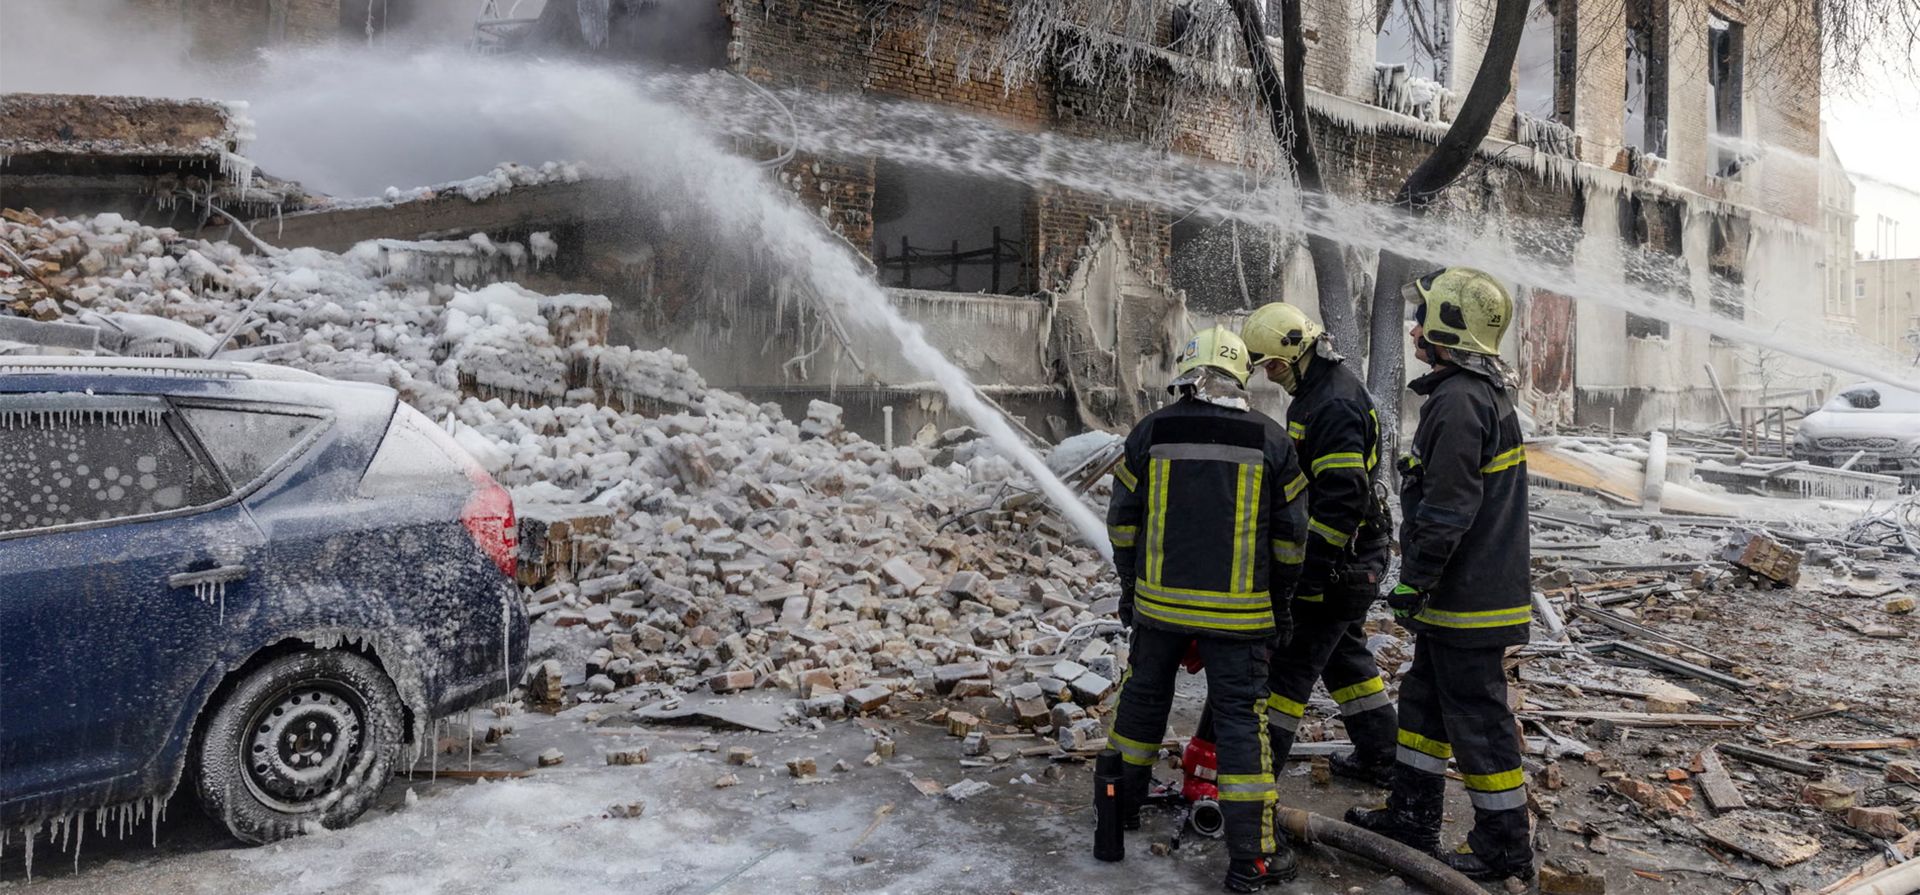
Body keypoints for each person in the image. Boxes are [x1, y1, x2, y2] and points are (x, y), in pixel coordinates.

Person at [1104, 325, 1310, 892]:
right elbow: (1292, 540)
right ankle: (1253, 858)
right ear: (1241, 377)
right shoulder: (1271, 440)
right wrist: (1282, 606)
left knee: (1141, 703)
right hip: (1239, 617)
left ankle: (1118, 811)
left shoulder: (1150, 430)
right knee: (1243, 724)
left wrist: (1131, 589)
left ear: (1187, 374)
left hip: (1159, 606)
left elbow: (1122, 522)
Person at [1345, 268, 1535, 883]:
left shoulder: (1458, 401)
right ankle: (1412, 818)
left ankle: (1504, 846)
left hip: (1466, 599)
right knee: (1423, 709)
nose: (1414, 327)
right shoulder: (1475, 393)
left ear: (1449, 328)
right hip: (1466, 596)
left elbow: (1449, 509)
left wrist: (1414, 581)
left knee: (1477, 722)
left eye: (1424, 317)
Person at [1238, 303, 1397, 786]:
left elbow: (1341, 500)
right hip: (1349, 558)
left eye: (1274, 364)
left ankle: (1254, 781)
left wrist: (1308, 576)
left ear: (1299, 350)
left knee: (1289, 669)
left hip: (1340, 563)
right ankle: (1383, 755)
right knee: (1345, 658)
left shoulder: (1333, 405)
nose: (1270, 374)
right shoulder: (1316, 393)